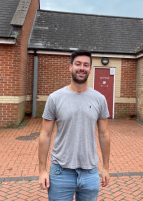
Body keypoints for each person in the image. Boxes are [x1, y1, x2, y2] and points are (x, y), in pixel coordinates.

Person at [38, 49, 111, 201]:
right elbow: (45, 135)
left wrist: (106, 168)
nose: (82, 68)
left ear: (90, 69)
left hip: (90, 173)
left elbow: (104, 134)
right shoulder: (55, 98)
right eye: (78, 64)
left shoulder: (99, 99)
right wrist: (42, 170)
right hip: (60, 173)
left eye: (86, 65)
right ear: (70, 67)